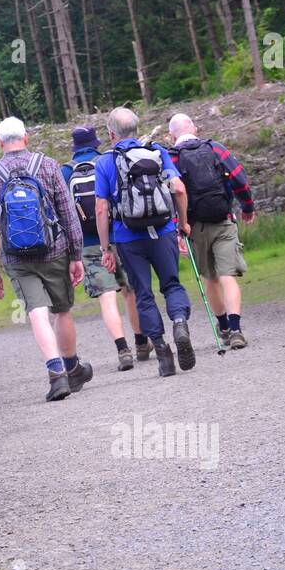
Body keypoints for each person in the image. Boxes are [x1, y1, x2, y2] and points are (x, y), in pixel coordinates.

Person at [0, 117, 91, 402]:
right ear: (26, 138)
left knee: (37, 312)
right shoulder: (48, 165)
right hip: (55, 251)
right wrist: (76, 256)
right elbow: (68, 214)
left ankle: (56, 374)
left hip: (16, 257)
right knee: (62, 310)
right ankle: (72, 367)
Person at [91, 107, 196, 377]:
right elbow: (180, 189)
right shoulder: (157, 152)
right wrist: (182, 223)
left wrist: (105, 248)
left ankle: (162, 351)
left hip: (128, 237)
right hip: (162, 232)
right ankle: (180, 322)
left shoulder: (104, 162)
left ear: (111, 133)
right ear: (136, 130)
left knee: (143, 294)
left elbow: (101, 209)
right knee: (171, 283)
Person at [61, 126, 147, 371]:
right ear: (96, 142)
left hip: (87, 245)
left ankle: (123, 350)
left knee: (107, 298)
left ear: (74, 147)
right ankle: (141, 343)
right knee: (130, 290)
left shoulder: (65, 171)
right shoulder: (108, 162)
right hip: (120, 237)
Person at [167, 113, 256, 349]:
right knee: (228, 275)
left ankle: (224, 327)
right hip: (223, 219)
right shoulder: (215, 149)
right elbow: (239, 178)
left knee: (211, 277)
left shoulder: (170, 158)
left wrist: (179, 227)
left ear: (171, 135)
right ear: (195, 129)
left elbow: (172, 194)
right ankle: (237, 330)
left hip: (194, 226)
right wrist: (247, 206)